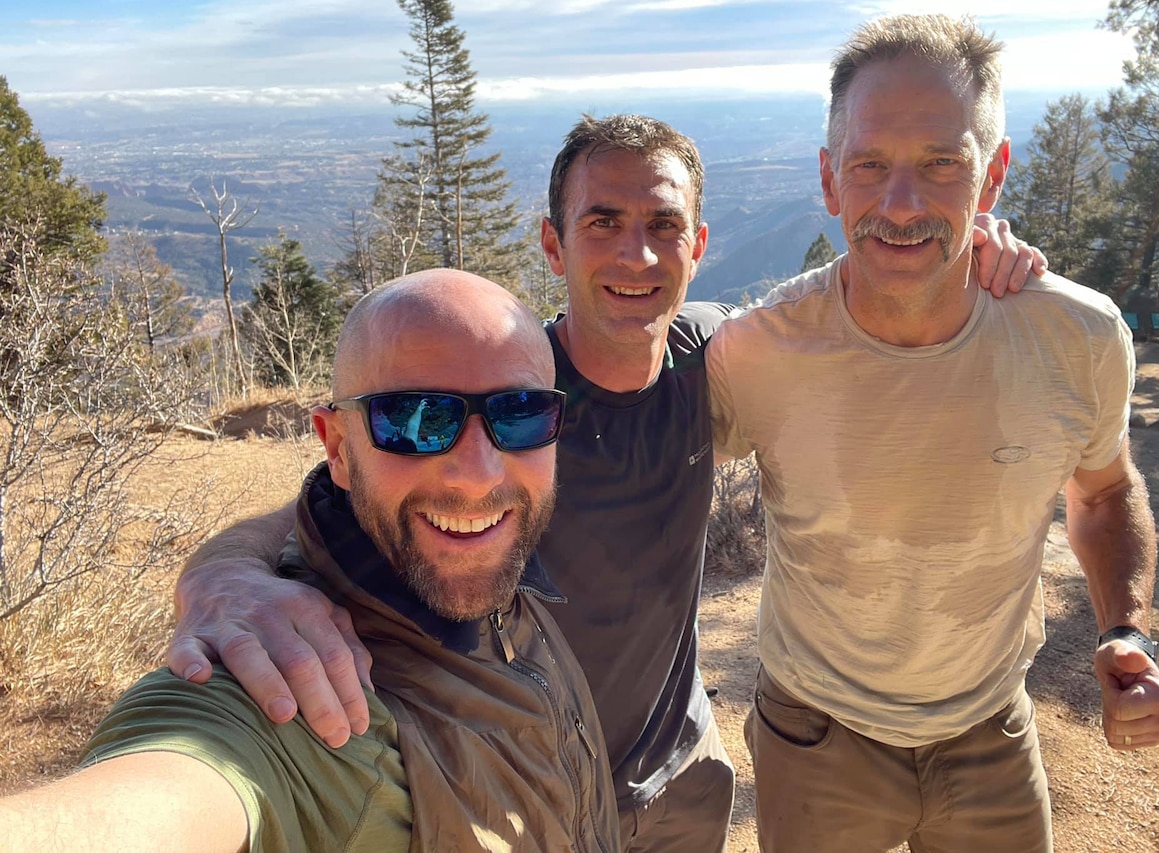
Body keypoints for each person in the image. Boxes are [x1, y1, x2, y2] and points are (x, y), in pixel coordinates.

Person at [163, 115, 1043, 853]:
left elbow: (850, 304)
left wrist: (970, 250)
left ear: (698, 246)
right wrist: (224, 570)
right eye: (602, 222)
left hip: (683, 779)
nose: (637, 253)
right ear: (552, 243)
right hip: (528, 791)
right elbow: (342, 491)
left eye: (663, 225)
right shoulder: (508, 408)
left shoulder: (718, 354)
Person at [706, 14, 1159, 853]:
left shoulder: (1078, 338)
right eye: (869, 165)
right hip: (817, 735)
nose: (901, 204)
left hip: (990, 729)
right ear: (828, 179)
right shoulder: (760, 350)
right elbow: (624, 475)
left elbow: (1105, 490)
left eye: (942, 164)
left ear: (991, 175)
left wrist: (1126, 630)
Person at [0, 270, 620, 853]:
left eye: (521, 413)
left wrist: (224, 561)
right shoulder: (297, 693)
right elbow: (169, 788)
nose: (480, 476)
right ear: (338, 449)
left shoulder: (499, 542)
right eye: (415, 421)